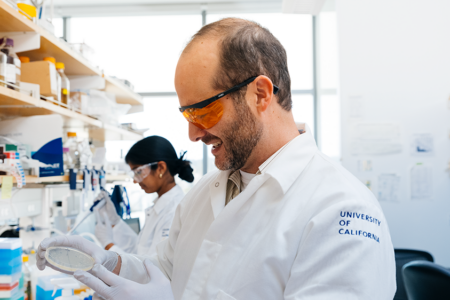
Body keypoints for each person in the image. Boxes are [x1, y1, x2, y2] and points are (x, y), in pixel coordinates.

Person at [37, 18, 396, 299]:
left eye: (204, 112)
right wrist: (108, 263)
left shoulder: (339, 210)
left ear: (260, 94)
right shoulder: (204, 194)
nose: (193, 135)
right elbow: (163, 272)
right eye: (186, 116)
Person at [94, 135, 194, 256]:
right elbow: (139, 250)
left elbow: (151, 268)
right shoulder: (160, 206)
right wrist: (114, 222)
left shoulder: (173, 211)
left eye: (138, 172)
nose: (135, 181)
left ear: (161, 168)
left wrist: (108, 245)